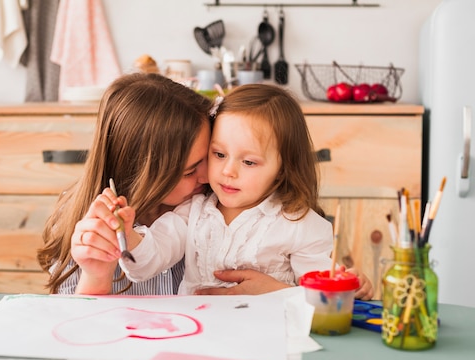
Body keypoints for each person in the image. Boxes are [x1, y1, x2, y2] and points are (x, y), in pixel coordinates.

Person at [113, 84, 373, 298]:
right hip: (197, 335)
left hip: (267, 338)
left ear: (283, 169)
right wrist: (129, 237)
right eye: (219, 154)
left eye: (248, 162)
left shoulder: (299, 224)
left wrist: (348, 288)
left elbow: (324, 297)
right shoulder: (191, 211)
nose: (228, 171)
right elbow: (146, 263)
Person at [38, 72, 214, 295]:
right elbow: (74, 323)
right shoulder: (85, 224)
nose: (208, 176)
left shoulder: (214, 208)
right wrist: (96, 276)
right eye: (190, 171)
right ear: (142, 172)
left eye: (212, 156)